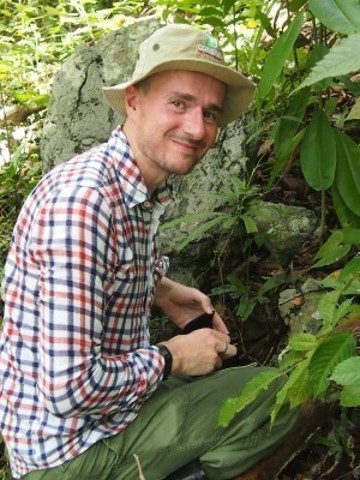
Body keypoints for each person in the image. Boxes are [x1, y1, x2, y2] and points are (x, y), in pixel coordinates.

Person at [0, 23, 298, 480]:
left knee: (228, 379)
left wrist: (160, 289)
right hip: (69, 451)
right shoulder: (84, 205)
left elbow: (95, 268)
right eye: (179, 103)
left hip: (100, 417)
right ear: (134, 100)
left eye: (211, 113)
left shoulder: (127, 187)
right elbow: (68, 389)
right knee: (276, 392)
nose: (197, 128)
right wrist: (172, 356)